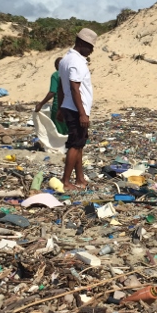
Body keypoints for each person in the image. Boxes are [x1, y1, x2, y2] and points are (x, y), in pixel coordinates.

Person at [57, 28, 96, 191]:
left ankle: (80, 178)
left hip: (68, 106)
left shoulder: (65, 59)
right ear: (81, 43)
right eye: (90, 47)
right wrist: (82, 113)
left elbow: (61, 86)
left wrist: (60, 108)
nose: (91, 50)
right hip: (75, 109)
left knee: (79, 144)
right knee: (75, 144)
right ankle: (65, 182)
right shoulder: (76, 62)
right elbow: (74, 87)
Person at [35, 58, 68, 134]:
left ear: (57, 66)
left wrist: (41, 104)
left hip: (59, 105)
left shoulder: (56, 75)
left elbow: (52, 92)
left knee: (58, 129)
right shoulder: (71, 74)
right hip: (71, 105)